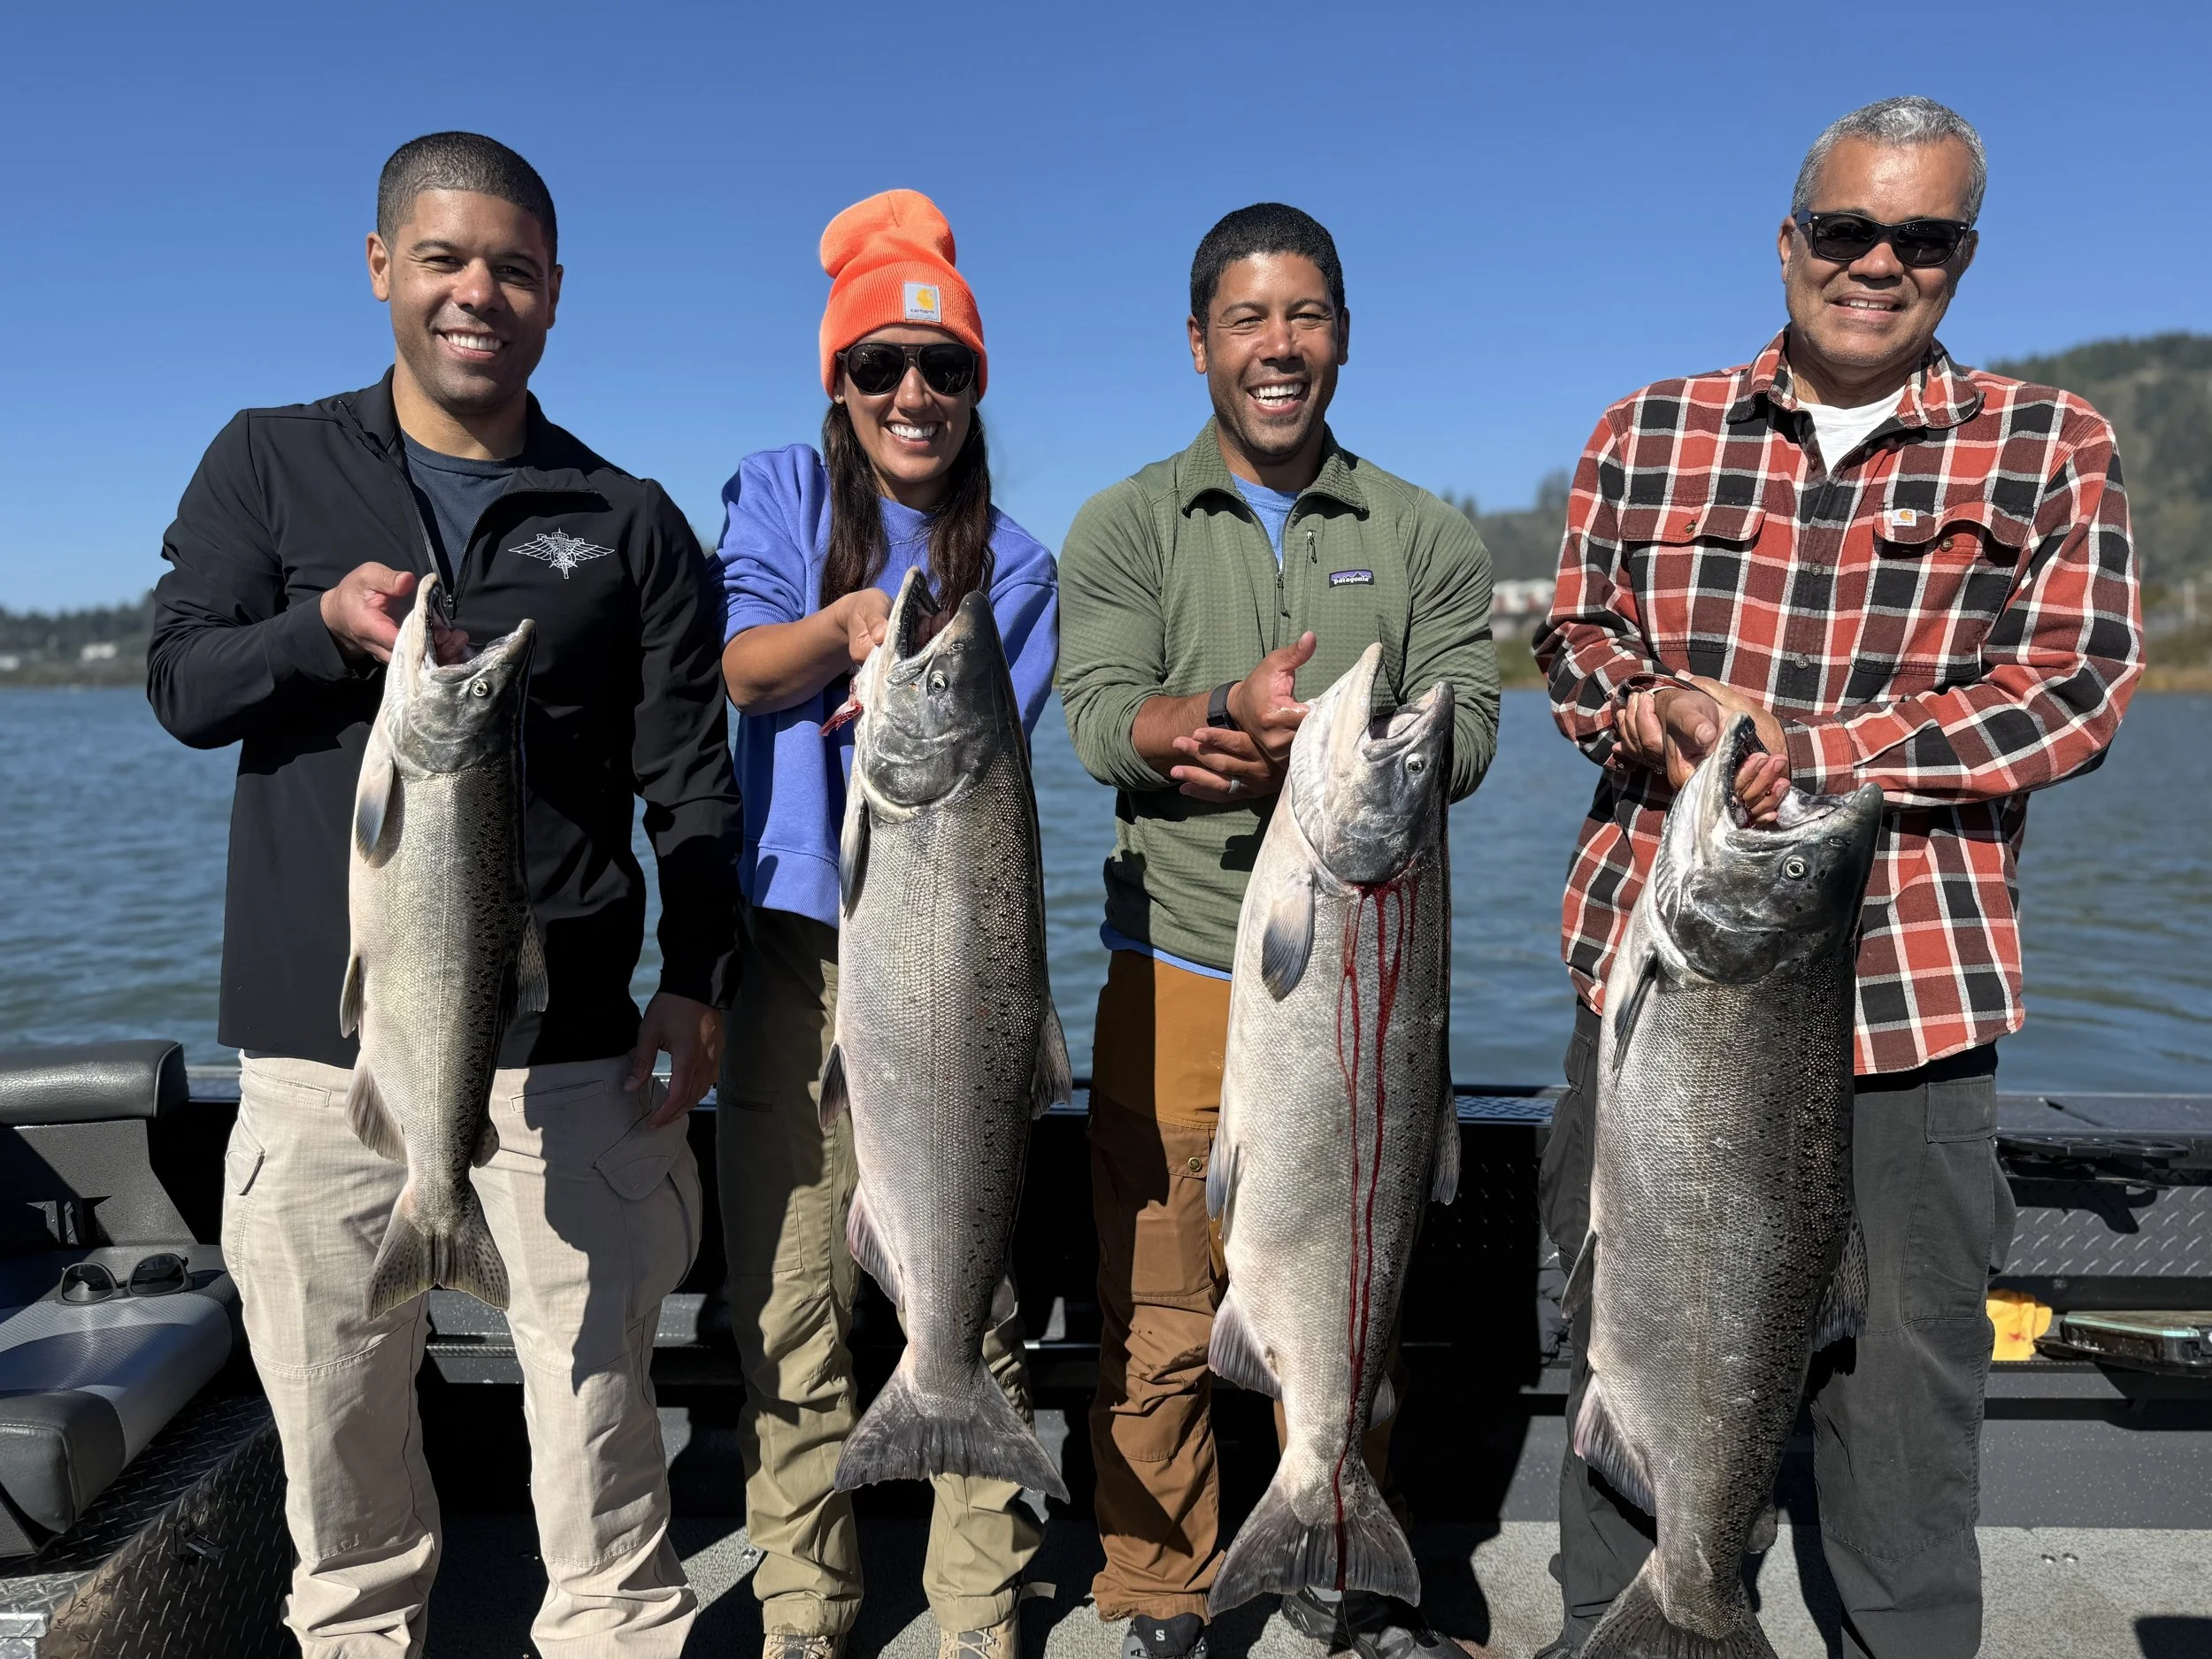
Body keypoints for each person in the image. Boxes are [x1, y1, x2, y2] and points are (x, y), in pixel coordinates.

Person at [1531, 96, 2142, 1659]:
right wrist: (1643, 706)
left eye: (1920, 238)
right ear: (1789, 236)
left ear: (1963, 256)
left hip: (1913, 1009)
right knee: (1621, 1340)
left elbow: (2074, 688)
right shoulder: (1645, 427)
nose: (1877, 263)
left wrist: (1821, 751)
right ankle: (1641, 1624)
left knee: (1904, 1413)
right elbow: (1574, 639)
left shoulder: (2051, 442)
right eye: (1846, 229)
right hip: (1657, 991)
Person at [147, 133, 741, 1657]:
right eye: (446, 259)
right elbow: (179, 679)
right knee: (336, 1445)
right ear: (380, 269)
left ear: (554, 297)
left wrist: (701, 976)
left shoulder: (627, 516)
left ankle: (615, 1632)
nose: (480, 291)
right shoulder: (266, 461)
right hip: (315, 1060)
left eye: (515, 269)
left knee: (604, 1429)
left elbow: (691, 777)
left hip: (578, 1059)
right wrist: (312, 627)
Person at [1056, 204, 1500, 1659]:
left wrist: (1349, 754)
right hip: (1181, 964)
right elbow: (1099, 713)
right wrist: (1208, 724)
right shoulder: (1126, 521)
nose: (1279, 347)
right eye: (1248, 320)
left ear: (1344, 337)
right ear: (1199, 344)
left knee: (1351, 1287)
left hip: (1373, 979)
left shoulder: (1424, 531)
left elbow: (1473, 723)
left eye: (1305, 317)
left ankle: (1343, 1566)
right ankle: (1159, 1586)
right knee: (1166, 1306)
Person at [711, 188, 1060, 1659]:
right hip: (793, 953)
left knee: (962, 1296)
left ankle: (978, 1608)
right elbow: (743, 669)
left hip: (954, 959)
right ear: (837, 383)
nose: (913, 393)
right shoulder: (784, 491)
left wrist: (908, 653)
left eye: (945, 368)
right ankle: (807, 1610)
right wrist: (854, 623)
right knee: (789, 1305)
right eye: (881, 365)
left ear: (976, 389)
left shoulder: (1019, 566)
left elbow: (981, 770)